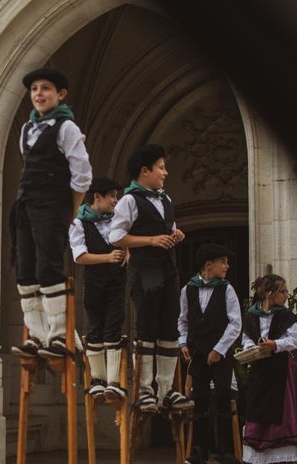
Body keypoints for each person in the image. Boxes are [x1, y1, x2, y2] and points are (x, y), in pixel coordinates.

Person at [10, 68, 92, 358]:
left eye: (45, 88)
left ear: (60, 94)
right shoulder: (27, 129)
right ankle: (37, 335)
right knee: (26, 270)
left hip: (51, 206)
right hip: (26, 205)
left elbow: (82, 174)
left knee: (49, 267)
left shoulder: (66, 128)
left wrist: (69, 209)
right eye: (34, 89)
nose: (39, 94)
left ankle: (58, 335)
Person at [109, 144, 189, 411]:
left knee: (169, 328)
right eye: (161, 167)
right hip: (144, 271)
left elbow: (171, 228)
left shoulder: (165, 199)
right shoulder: (129, 200)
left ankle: (166, 391)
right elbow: (116, 236)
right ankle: (145, 392)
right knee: (147, 329)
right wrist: (151, 240)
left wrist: (177, 235)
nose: (165, 173)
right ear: (145, 171)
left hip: (167, 270)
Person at [241, 274, 297, 464]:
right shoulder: (251, 315)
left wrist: (275, 344)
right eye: (283, 291)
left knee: (283, 410)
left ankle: (282, 457)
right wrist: (252, 348)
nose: (286, 295)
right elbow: (246, 339)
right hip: (260, 370)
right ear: (270, 293)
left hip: (282, 371)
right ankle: (260, 456)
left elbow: (296, 339)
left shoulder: (284, 315)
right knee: (259, 407)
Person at [179, 244, 242, 464]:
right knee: (199, 401)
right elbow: (183, 320)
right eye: (223, 261)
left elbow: (235, 324)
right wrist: (183, 342)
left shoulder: (227, 289)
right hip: (197, 354)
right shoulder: (188, 289)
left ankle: (225, 453)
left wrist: (219, 349)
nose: (227, 266)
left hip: (221, 356)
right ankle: (199, 451)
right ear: (208, 265)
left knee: (224, 398)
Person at [69, 177, 127, 400]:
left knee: (113, 327)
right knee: (94, 328)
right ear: (97, 197)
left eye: (116, 196)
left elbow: (126, 239)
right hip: (94, 284)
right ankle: (97, 380)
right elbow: (80, 256)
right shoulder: (79, 223)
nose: (115, 200)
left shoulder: (118, 220)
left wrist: (127, 251)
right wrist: (108, 257)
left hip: (116, 284)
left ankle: (113, 382)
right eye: (111, 196)